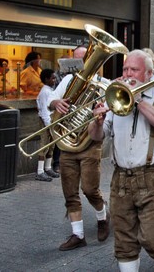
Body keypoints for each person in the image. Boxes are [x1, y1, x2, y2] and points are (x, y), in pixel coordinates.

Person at [88, 49, 154, 272]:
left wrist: (137, 100)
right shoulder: (114, 98)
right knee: (124, 239)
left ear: (148, 74)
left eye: (134, 70)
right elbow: (96, 137)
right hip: (121, 178)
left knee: (153, 237)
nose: (128, 74)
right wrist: (97, 122)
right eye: (125, 69)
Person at [47, 45, 109, 251]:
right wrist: (56, 102)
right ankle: (78, 235)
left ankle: (102, 217)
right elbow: (50, 98)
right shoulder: (67, 80)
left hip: (89, 144)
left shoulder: (105, 85)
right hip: (68, 144)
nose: (80, 66)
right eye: (77, 61)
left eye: (86, 60)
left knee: (90, 189)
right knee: (70, 192)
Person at [34, 68, 60, 182]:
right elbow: (44, 110)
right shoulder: (45, 92)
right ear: (46, 79)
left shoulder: (50, 90)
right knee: (44, 145)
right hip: (47, 121)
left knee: (51, 145)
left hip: (51, 120)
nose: (54, 80)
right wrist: (49, 124)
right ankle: (40, 171)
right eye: (52, 78)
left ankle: (48, 167)